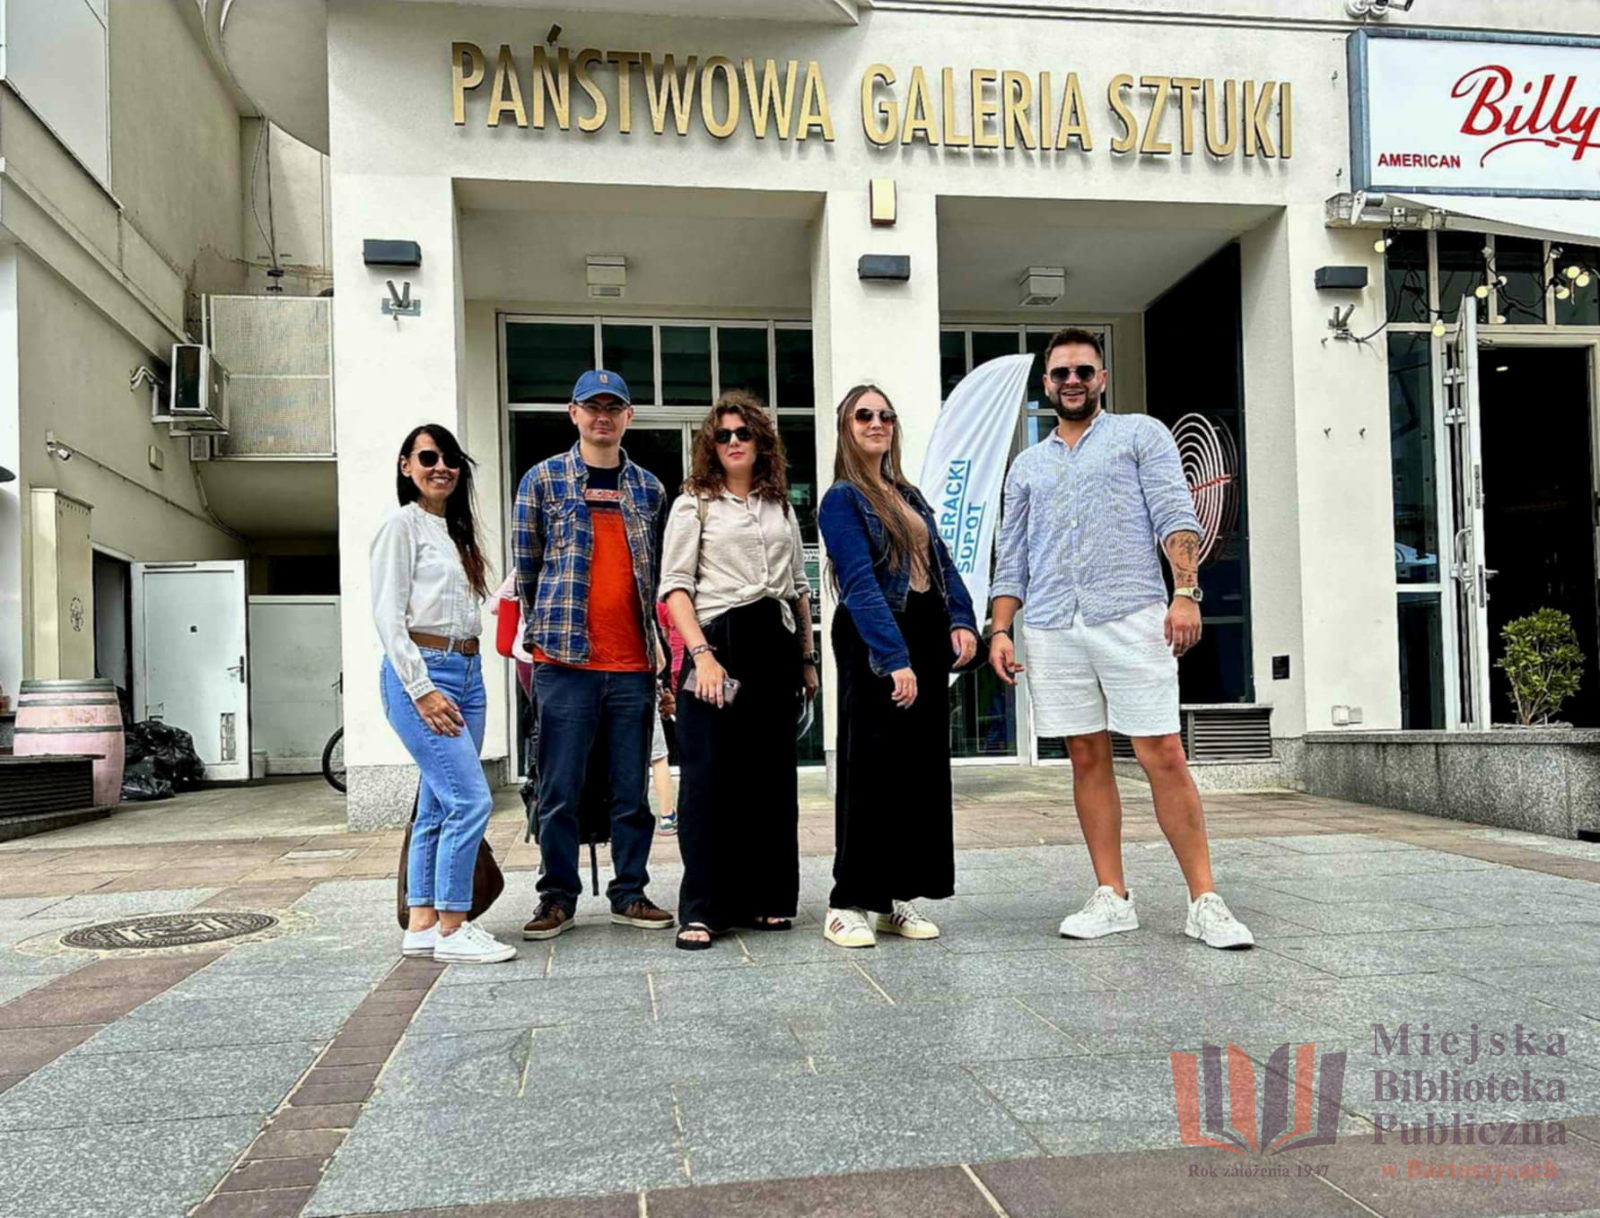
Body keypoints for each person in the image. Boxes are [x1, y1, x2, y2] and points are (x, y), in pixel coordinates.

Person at [988, 327, 1255, 950]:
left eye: (1084, 370)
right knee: (1085, 755)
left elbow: (1174, 514)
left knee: (1162, 749)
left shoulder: (1141, 435)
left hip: (1132, 613)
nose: (1072, 381)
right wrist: (1002, 628)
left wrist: (1185, 591)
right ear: (1047, 384)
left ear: (1102, 377)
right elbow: (1012, 557)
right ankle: (1113, 894)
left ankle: (1205, 900)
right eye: (1061, 373)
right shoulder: (1027, 464)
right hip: (1054, 624)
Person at [513, 369, 675, 940]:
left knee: (631, 791)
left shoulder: (650, 490)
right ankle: (556, 897)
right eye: (592, 406)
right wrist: (547, 639)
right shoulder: (542, 480)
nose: (602, 415)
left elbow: (656, 579)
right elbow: (527, 571)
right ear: (573, 413)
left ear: (629, 416)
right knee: (560, 790)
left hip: (632, 666)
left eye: (614, 406)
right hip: (565, 666)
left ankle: (628, 892)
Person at [817, 385, 979, 949]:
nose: (877, 423)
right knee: (871, 768)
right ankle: (848, 902)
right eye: (864, 415)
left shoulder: (906, 492)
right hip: (876, 636)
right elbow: (860, 584)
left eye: (886, 415)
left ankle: (894, 899)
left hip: (924, 629)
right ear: (846, 427)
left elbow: (943, 563)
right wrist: (893, 660)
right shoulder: (842, 498)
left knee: (917, 772)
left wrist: (962, 618)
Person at [660, 392, 818, 950]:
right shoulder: (693, 504)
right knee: (708, 782)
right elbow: (674, 588)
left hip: (774, 645)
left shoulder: (781, 506)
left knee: (770, 781)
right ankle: (703, 908)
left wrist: (806, 659)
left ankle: (768, 898)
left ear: (761, 443)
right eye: (723, 435)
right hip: (718, 641)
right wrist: (701, 655)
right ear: (711, 445)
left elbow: (799, 588)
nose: (733, 442)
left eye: (743, 434)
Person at [371, 424, 516, 965]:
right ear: (406, 465)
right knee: (470, 799)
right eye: (428, 457)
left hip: (467, 672)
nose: (441, 466)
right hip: (424, 673)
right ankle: (456, 928)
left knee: (436, 804)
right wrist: (422, 690)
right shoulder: (401, 526)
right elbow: (388, 618)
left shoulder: (455, 532)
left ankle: (424, 922)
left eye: (450, 457)